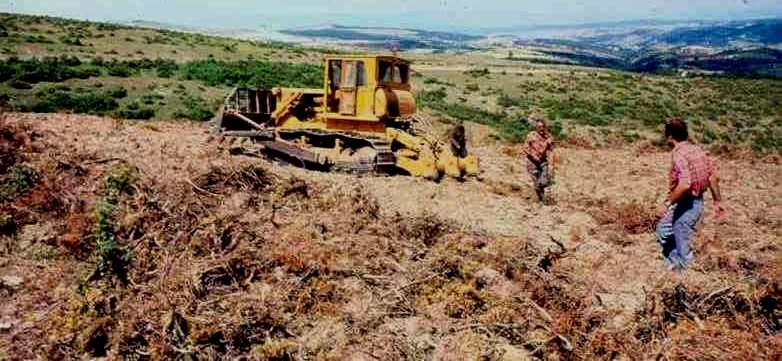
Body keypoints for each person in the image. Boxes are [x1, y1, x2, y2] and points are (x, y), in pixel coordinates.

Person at [656, 117, 725, 270]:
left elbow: (685, 183)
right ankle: (675, 269)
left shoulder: (678, 154)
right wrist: (717, 201)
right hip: (693, 202)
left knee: (682, 245)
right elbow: (712, 176)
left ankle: (685, 277)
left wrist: (666, 204)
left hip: (687, 203)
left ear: (669, 136)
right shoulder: (698, 150)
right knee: (663, 230)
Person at [522, 116, 554, 203]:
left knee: (543, 181)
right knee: (536, 182)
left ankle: (542, 197)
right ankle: (540, 199)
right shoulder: (531, 135)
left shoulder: (548, 137)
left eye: (542, 127)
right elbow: (525, 148)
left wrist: (549, 142)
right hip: (532, 161)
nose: (541, 128)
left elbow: (551, 150)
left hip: (543, 161)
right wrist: (533, 155)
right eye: (539, 127)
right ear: (536, 127)